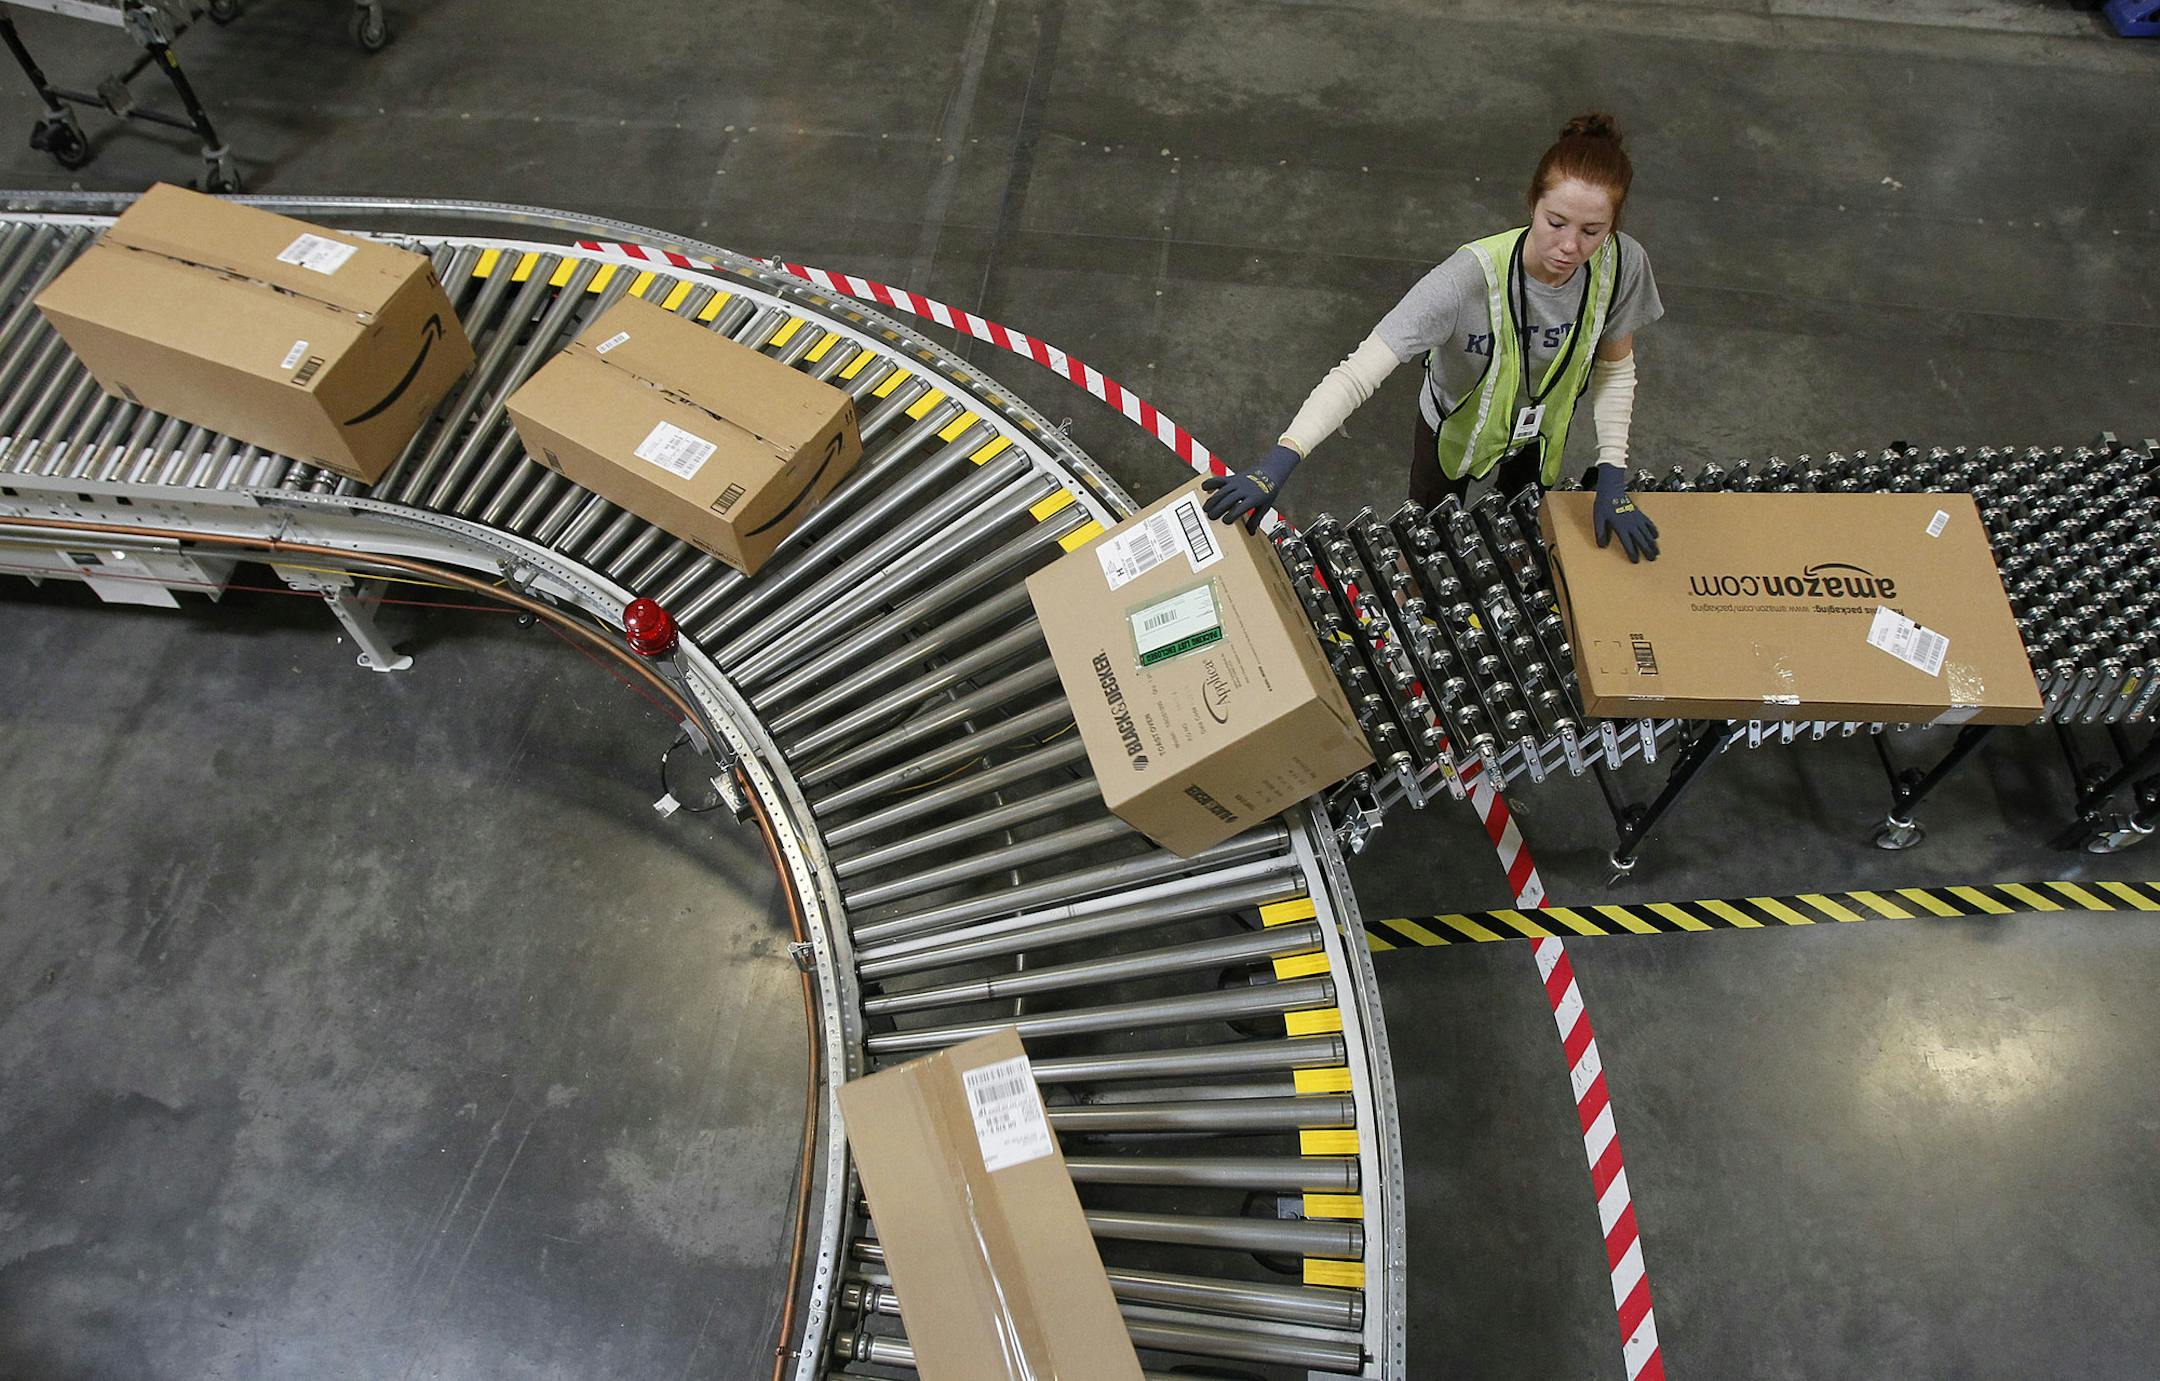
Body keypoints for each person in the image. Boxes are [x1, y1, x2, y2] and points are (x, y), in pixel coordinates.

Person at [1203, 112, 1665, 562]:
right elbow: (1359, 373)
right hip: (1454, 427)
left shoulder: (1621, 266)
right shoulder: (1462, 283)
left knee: (1523, 538)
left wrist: (1612, 472)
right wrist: (1282, 459)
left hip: (1542, 431)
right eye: (1556, 222)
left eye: (1592, 231)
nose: (1570, 246)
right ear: (1532, 204)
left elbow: (1615, 369)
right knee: (1425, 543)